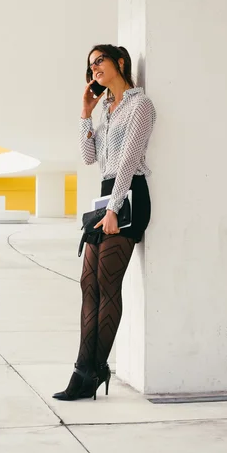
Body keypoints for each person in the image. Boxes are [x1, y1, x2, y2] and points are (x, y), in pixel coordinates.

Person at [52, 44, 156, 401]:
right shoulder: (108, 111)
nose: (94, 68)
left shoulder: (140, 105)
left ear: (120, 63)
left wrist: (113, 209)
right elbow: (88, 157)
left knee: (108, 284)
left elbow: (129, 160)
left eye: (100, 61)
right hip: (107, 198)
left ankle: (88, 373)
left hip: (127, 199)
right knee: (88, 283)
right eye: (90, 64)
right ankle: (90, 368)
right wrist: (86, 112)